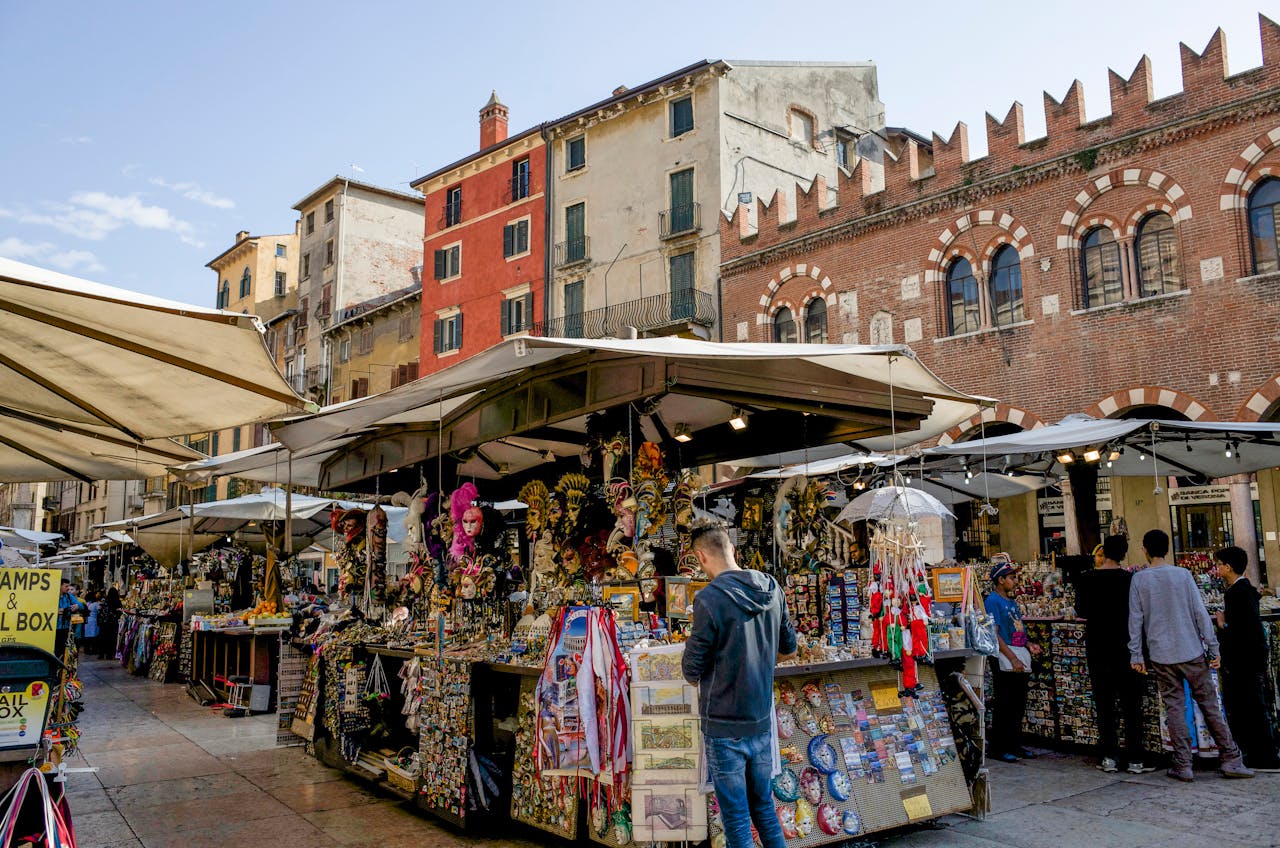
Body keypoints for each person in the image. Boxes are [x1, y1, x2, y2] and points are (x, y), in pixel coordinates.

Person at [682, 521, 797, 848]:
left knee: (736, 817)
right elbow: (789, 648)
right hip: (761, 722)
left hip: (724, 726)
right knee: (763, 809)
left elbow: (691, 669)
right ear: (731, 548)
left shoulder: (708, 599)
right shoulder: (773, 588)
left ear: (701, 557)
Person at [1129, 529, 1253, 781]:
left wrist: (1136, 655)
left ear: (1145, 549)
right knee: (1209, 705)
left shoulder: (1139, 580)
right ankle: (1230, 758)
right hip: (1191, 650)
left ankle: (1183, 764)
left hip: (1161, 655)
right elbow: (1199, 613)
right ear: (1167, 548)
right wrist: (1213, 647)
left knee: (1175, 707)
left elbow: (1135, 620)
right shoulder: (1183, 575)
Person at [1076, 536, 1152, 773]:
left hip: (1098, 647)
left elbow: (1082, 611)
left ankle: (1109, 756)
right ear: (1124, 555)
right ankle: (1135, 759)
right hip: (1127, 647)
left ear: (1104, 553)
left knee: (1105, 703)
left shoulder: (1086, 578)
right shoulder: (1132, 580)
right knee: (1132, 704)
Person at [1213, 546, 1280, 771]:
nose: (1217, 568)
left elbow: (1239, 630)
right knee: (1254, 707)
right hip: (1251, 659)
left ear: (1228, 567)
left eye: (1220, 564)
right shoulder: (1244, 590)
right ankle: (1261, 753)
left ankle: (1263, 756)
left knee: (1250, 708)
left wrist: (1222, 624)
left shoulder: (1236, 593)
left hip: (1244, 661)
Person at [984, 557, 1039, 762]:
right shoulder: (992, 601)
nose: (1015, 581)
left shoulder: (1012, 602)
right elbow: (994, 634)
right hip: (1004, 656)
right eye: (1011, 577)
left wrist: (1028, 645)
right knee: (1005, 703)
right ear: (1000, 580)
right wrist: (1012, 657)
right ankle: (1000, 747)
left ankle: (1015, 744)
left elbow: (1017, 630)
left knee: (1018, 703)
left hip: (1016, 652)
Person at [55, 579, 87, 659]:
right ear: (60, 586)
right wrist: (56, 611)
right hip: (54, 628)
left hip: (66, 627)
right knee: (56, 650)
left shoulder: (69, 596)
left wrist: (77, 606)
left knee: (64, 650)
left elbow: (81, 605)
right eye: (66, 586)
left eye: (69, 586)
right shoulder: (54, 596)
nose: (68, 588)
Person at [97, 586, 123, 660]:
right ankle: (109, 654)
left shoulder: (104, 601)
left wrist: (99, 621)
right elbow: (119, 612)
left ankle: (101, 654)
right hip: (112, 623)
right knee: (111, 639)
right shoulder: (117, 602)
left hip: (104, 623)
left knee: (103, 638)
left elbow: (100, 612)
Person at [82, 591, 101, 656]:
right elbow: (99, 611)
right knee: (94, 636)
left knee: (87, 636)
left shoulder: (86, 603)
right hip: (93, 621)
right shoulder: (96, 604)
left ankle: (86, 649)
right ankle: (94, 650)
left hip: (86, 621)